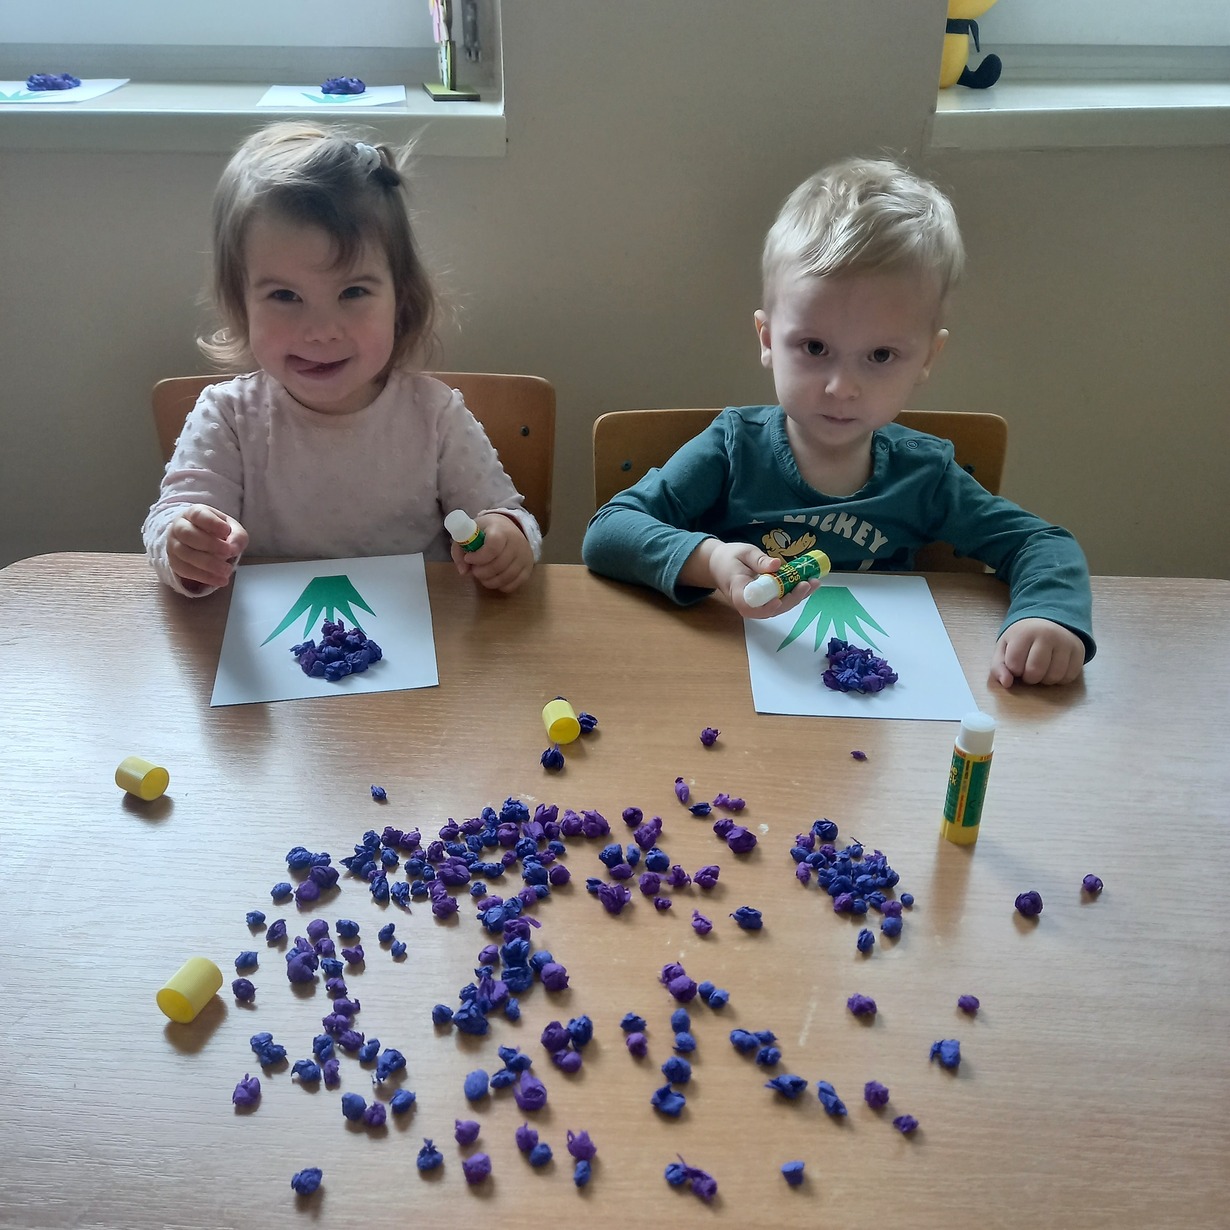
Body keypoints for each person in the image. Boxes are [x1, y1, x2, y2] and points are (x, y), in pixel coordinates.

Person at [583, 157, 1093, 687]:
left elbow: (1042, 544)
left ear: (926, 359)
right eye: (814, 347)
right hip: (739, 685)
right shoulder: (733, 449)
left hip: (878, 693)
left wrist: (1047, 615)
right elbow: (608, 531)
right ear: (767, 339)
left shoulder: (925, 474)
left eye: (880, 355)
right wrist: (709, 560)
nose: (841, 387)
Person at [143, 121, 538, 597]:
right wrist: (186, 547)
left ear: (401, 300)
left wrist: (505, 538)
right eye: (285, 296)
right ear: (240, 304)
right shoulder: (227, 417)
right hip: (276, 634)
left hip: (424, 630)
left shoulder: (435, 415)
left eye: (353, 292)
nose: (321, 331)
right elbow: (170, 519)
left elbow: (505, 513)